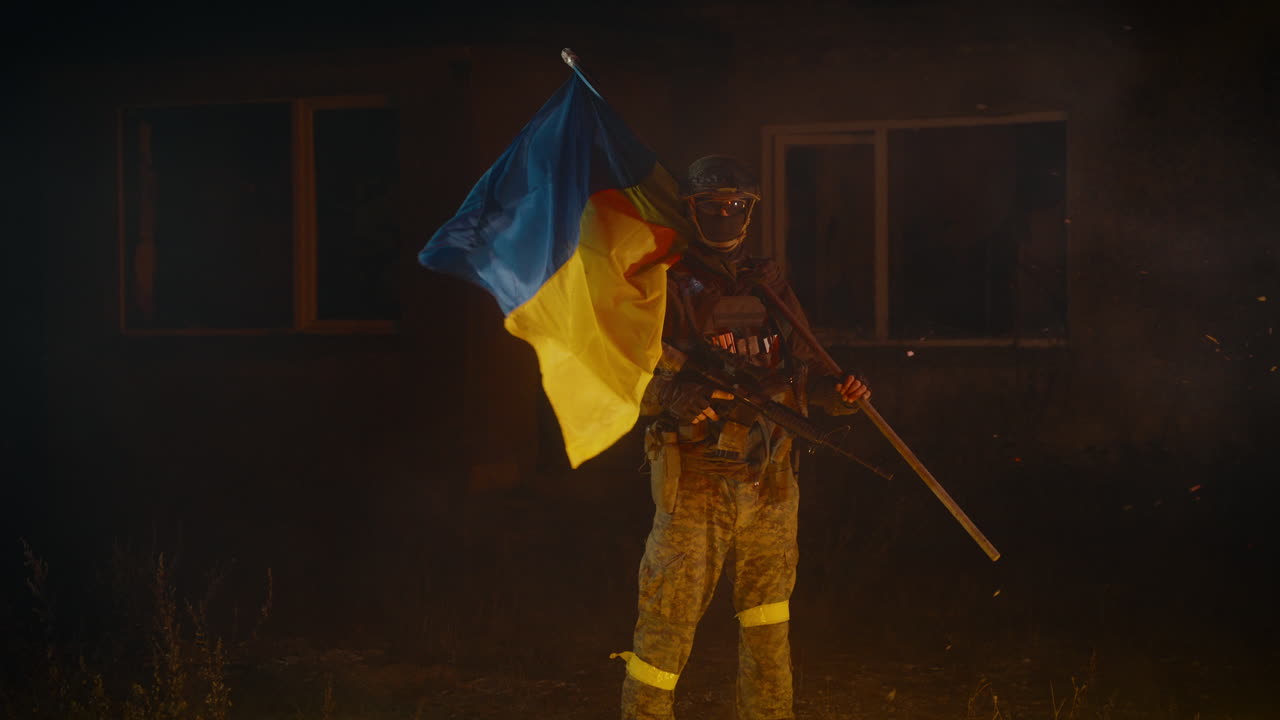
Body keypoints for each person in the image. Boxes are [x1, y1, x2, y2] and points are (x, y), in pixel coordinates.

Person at [616, 155, 871, 720]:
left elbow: (803, 370)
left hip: (772, 480)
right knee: (665, 628)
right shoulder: (666, 281)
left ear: (751, 212)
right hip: (696, 483)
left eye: (736, 206)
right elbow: (622, 378)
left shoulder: (767, 282)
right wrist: (673, 395)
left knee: (767, 620)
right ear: (690, 210)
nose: (725, 216)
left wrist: (838, 394)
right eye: (712, 206)